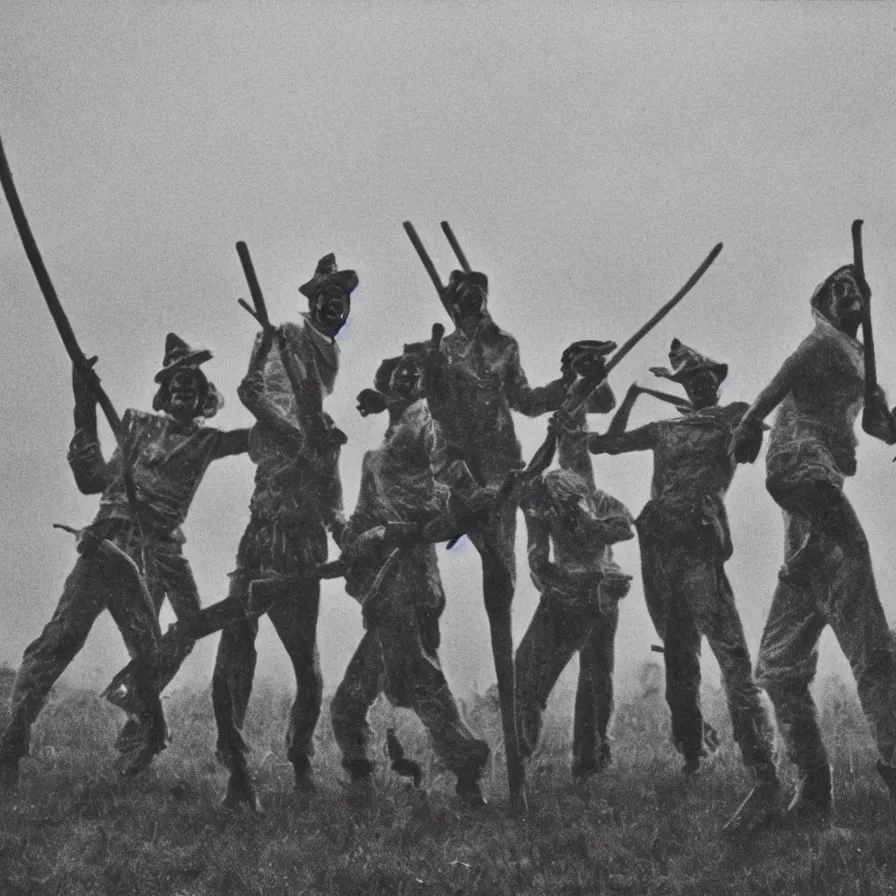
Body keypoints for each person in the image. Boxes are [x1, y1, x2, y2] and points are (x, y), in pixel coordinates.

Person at [0, 334, 248, 791]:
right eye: (174, 382)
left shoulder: (209, 442)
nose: (181, 389)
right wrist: (84, 402)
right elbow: (92, 479)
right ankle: (9, 750)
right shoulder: (134, 424)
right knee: (59, 641)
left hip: (153, 560)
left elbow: (262, 437)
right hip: (106, 548)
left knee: (153, 655)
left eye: (190, 383)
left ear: (203, 396)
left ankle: (142, 736)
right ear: (163, 392)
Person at [589, 339, 780, 834]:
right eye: (693, 380)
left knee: (731, 655)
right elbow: (602, 444)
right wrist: (631, 394)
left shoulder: (732, 417)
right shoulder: (665, 428)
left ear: (717, 384)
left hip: (699, 545)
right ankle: (693, 754)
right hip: (658, 548)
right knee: (678, 658)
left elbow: (752, 443)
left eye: (708, 379)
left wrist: (748, 427)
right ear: (682, 387)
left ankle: (764, 770)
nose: (703, 385)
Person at [730, 263, 896, 826]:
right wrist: (749, 422)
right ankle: (814, 785)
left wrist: (887, 419)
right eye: (838, 288)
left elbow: (878, 424)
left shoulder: (859, 361)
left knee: (872, 652)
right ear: (822, 303)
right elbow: (779, 380)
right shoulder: (820, 343)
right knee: (777, 665)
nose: (849, 295)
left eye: (856, 289)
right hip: (805, 503)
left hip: (825, 518)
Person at [423, 268, 588, 803]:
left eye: (479, 295)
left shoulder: (505, 346)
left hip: (504, 478)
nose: (472, 304)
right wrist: (461, 485)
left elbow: (527, 400)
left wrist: (574, 383)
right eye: (462, 298)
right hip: (457, 480)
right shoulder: (440, 353)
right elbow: (440, 421)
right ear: (451, 304)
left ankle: (516, 780)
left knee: (503, 595)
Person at [211, 254, 354, 810]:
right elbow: (251, 392)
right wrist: (290, 422)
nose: (333, 305)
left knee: (310, 672)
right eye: (326, 296)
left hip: (304, 548)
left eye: (342, 300)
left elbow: (336, 505)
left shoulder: (326, 436)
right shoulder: (285, 344)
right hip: (263, 536)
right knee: (235, 653)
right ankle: (237, 773)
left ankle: (300, 758)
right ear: (312, 300)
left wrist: (351, 539)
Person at [331, 341, 490, 804]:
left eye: (414, 372)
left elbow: (446, 468)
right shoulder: (377, 451)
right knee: (372, 690)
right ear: (384, 384)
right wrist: (346, 536)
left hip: (409, 572)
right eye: (398, 371)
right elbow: (361, 517)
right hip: (381, 577)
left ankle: (465, 768)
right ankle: (364, 776)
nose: (406, 376)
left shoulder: (423, 424)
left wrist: (463, 502)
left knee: (414, 680)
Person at [514, 340, 633, 781]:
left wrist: (588, 382)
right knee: (591, 675)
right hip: (584, 585)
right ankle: (586, 761)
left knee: (547, 676)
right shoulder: (546, 491)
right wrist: (538, 566)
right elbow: (534, 546)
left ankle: (574, 760)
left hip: (587, 586)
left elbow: (620, 524)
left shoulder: (582, 493)